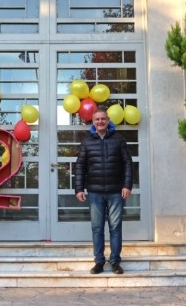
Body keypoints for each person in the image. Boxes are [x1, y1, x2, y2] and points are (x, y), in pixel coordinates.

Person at [74, 108, 133, 275]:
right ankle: (99, 262)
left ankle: (115, 261)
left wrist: (127, 185)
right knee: (97, 228)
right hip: (95, 193)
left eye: (103, 119)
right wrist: (79, 188)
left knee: (115, 227)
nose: (100, 121)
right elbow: (80, 166)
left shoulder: (119, 140)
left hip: (116, 192)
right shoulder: (86, 142)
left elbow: (128, 164)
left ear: (108, 121)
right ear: (93, 122)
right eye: (97, 119)